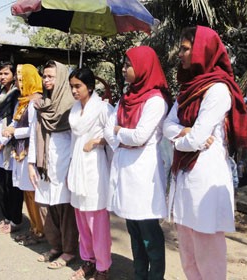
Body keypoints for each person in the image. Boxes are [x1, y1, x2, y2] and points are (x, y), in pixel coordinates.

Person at [163, 26, 247, 280]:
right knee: (188, 253)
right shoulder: (187, 90)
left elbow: (196, 138)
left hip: (205, 179)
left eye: (185, 48)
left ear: (202, 50)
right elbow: (167, 127)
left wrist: (180, 140)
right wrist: (185, 134)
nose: (180, 54)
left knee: (208, 253)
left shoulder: (218, 90)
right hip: (185, 176)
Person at [103, 46, 171, 280]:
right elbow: (108, 131)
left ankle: (156, 276)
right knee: (132, 227)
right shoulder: (126, 98)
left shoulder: (155, 100)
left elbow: (140, 136)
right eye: (123, 64)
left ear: (143, 67)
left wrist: (121, 133)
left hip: (144, 172)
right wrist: (124, 136)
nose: (123, 69)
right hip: (125, 169)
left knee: (149, 231)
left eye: (127, 65)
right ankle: (139, 274)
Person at [28, 60, 78, 269]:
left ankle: (68, 251)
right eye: (45, 76)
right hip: (44, 164)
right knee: (47, 208)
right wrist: (31, 162)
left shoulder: (71, 105)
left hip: (64, 162)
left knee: (65, 209)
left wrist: (74, 168)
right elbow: (33, 133)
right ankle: (55, 246)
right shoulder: (39, 103)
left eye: (51, 76)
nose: (46, 80)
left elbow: (77, 138)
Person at [67, 67, 113, 280]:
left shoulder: (103, 108)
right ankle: (89, 261)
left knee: (97, 220)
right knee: (82, 219)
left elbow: (113, 135)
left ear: (90, 87)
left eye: (78, 86)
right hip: (77, 166)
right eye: (72, 87)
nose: (74, 91)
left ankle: (103, 267)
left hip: (95, 167)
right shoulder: (75, 110)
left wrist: (96, 141)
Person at [6, 64, 46, 245]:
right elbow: (17, 123)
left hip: (30, 153)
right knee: (26, 193)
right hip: (20, 152)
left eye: (21, 79)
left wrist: (14, 132)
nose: (18, 82)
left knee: (32, 193)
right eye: (17, 79)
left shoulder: (34, 102)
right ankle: (33, 228)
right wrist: (11, 129)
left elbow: (33, 130)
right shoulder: (23, 101)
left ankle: (40, 231)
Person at [0, 61, 24, 232]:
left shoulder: (16, 96)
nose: (2, 77)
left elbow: (14, 122)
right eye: (0, 73)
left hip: (10, 145)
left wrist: (2, 144)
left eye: (6, 74)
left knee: (12, 186)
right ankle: (6, 216)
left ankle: (15, 220)